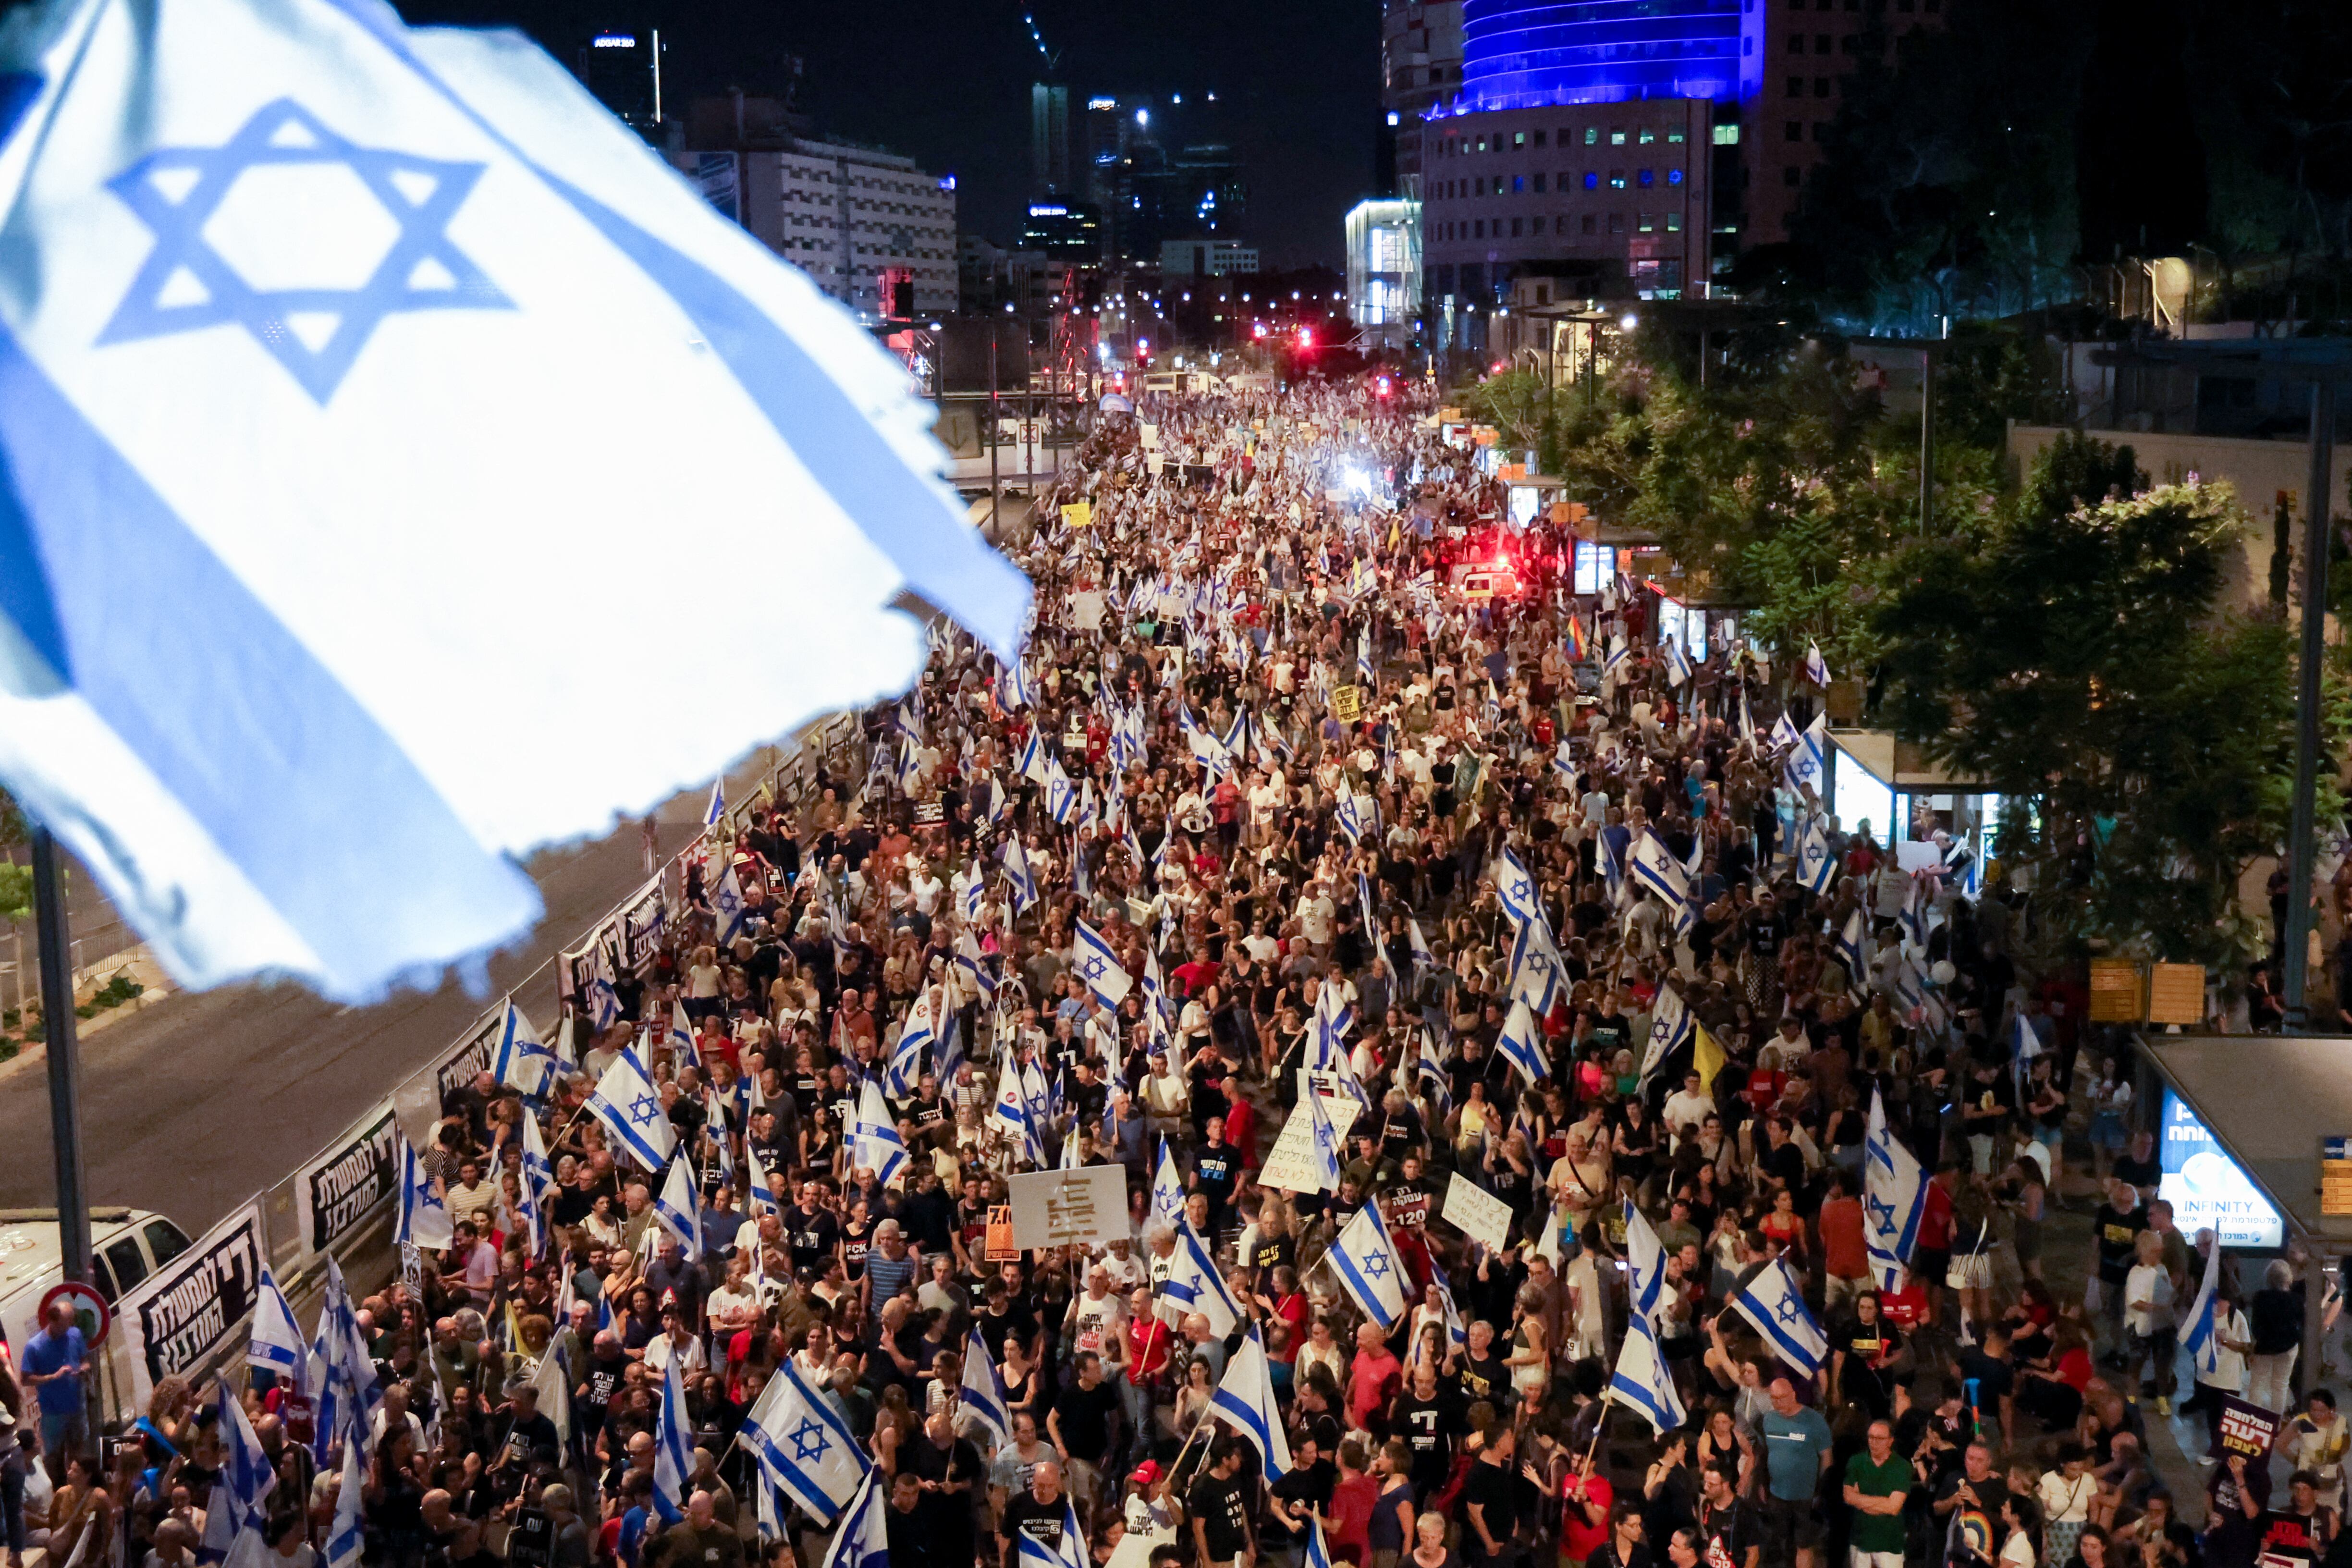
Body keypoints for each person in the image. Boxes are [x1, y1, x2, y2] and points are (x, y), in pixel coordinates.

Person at [17, 1302, 89, 1482]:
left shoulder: (75, 1334)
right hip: (53, 1412)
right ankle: (57, 1488)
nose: (68, 1329)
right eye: (64, 1325)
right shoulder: (34, 1347)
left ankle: (76, 1485)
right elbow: (25, 1379)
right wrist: (52, 1377)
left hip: (76, 1406)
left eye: (70, 1324)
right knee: (53, 1456)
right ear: (52, 1321)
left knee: (78, 1449)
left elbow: (85, 1360)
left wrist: (81, 1370)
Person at [1842, 1419, 1910, 1568]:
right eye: (1871, 1437)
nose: (1874, 1443)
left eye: (1879, 1439)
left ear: (1890, 1441)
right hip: (1861, 1538)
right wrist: (1882, 1502)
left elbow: (1893, 1507)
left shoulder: (1901, 1467)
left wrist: (1861, 1501)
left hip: (1890, 1542)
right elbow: (1848, 1497)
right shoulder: (1856, 1462)